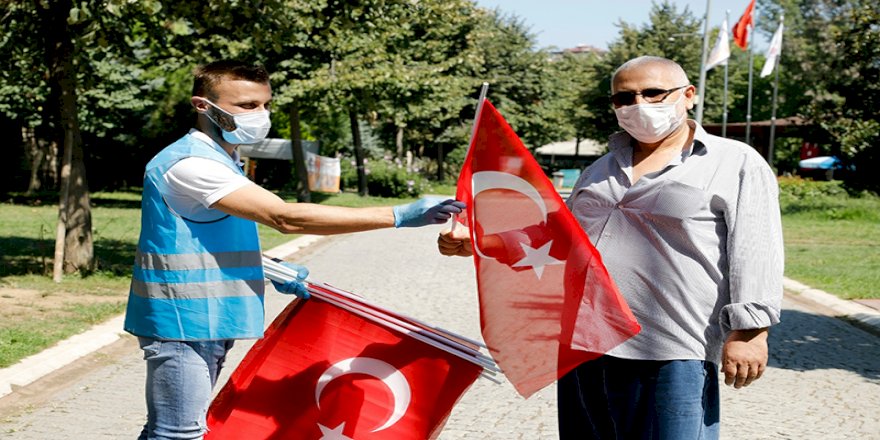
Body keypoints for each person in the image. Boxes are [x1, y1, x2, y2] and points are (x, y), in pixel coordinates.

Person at [438, 55, 783, 439]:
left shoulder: (734, 162)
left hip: (670, 347)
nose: (639, 105)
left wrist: (750, 332)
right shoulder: (599, 169)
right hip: (586, 343)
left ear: (688, 96)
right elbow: (559, 237)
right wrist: (484, 242)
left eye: (653, 93)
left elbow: (755, 250)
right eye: (625, 97)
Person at [124, 60, 465, 440]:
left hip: (204, 317)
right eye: (247, 106)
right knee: (178, 434)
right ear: (203, 106)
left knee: (169, 430)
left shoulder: (223, 159)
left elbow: (197, 238)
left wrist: (269, 267)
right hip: (181, 321)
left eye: (266, 104)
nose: (262, 115)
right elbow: (285, 218)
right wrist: (398, 215)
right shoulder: (190, 164)